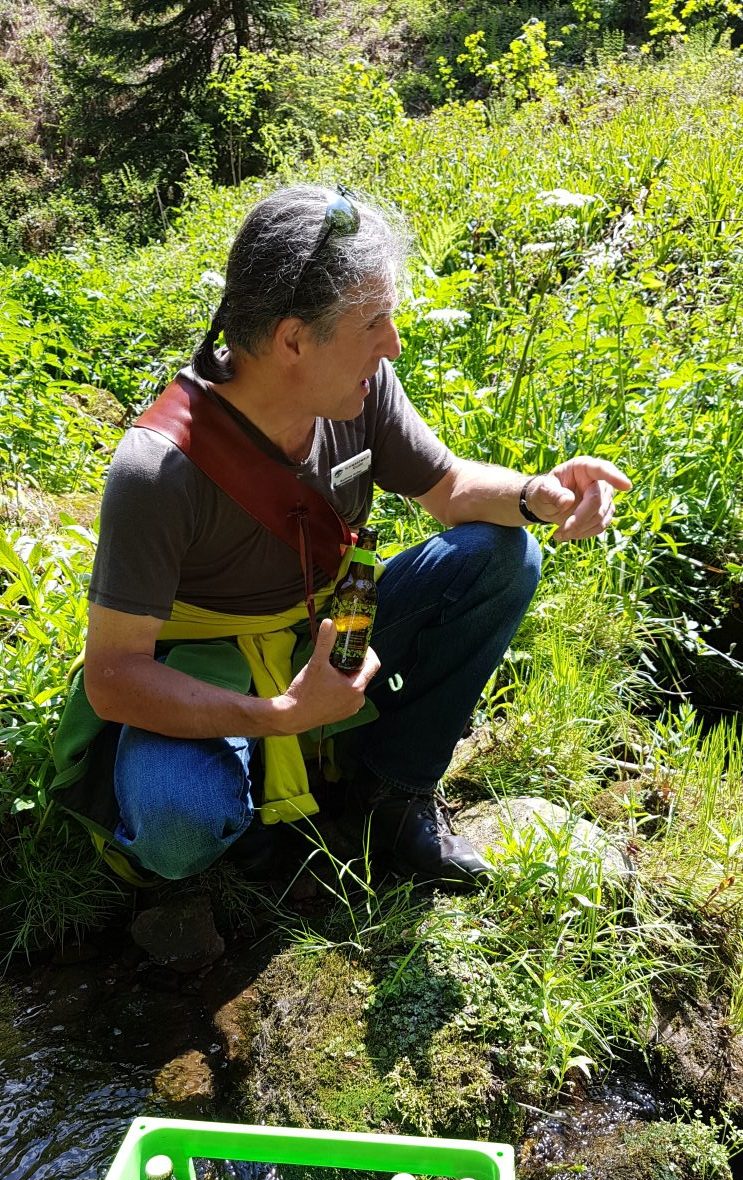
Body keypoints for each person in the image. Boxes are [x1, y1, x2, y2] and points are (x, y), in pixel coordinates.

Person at [76, 183, 631, 886]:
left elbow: (450, 489)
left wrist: (536, 496)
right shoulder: (158, 469)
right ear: (292, 340)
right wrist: (277, 713)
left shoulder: (360, 390)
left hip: (333, 633)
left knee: (501, 552)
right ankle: (246, 824)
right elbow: (115, 676)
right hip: (208, 665)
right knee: (177, 826)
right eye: (374, 323)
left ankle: (391, 792)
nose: (393, 344)